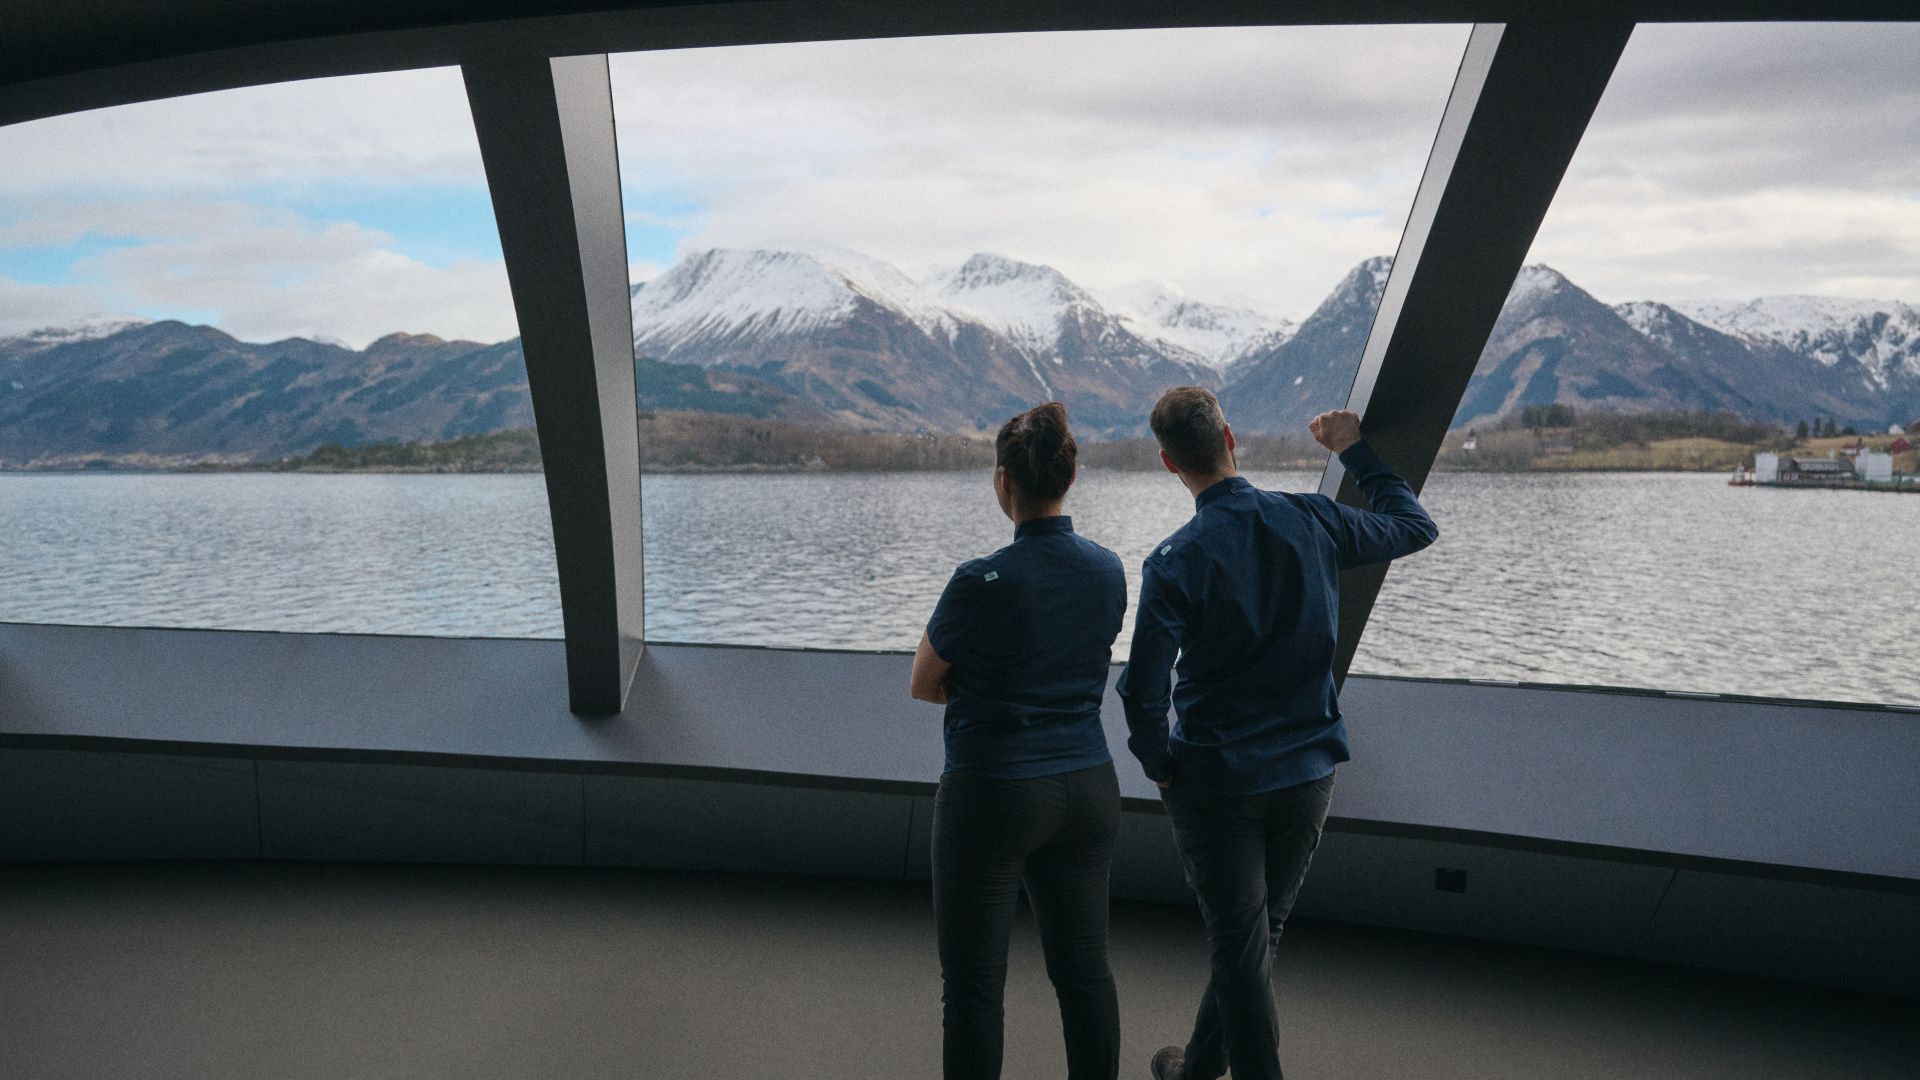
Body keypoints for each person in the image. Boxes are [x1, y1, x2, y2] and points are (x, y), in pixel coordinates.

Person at [1117, 388, 1437, 1080]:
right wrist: (1353, 450)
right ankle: (1198, 1070)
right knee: (1254, 942)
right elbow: (1414, 527)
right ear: (1231, 440)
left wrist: (1161, 766)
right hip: (1307, 772)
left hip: (1217, 782)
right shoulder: (1312, 519)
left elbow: (1141, 689)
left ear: (1171, 465)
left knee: (1241, 946)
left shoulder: (1175, 560)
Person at [910, 401, 1128, 1080]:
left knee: (975, 988)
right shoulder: (1108, 569)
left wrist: (986, 692)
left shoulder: (981, 581)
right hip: (1089, 787)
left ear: (1003, 481)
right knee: (1085, 973)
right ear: (1071, 476)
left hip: (994, 793)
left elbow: (923, 681)